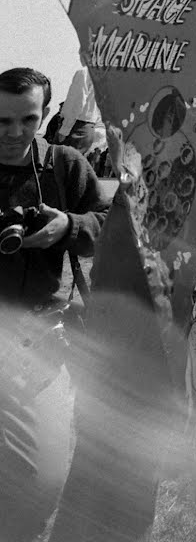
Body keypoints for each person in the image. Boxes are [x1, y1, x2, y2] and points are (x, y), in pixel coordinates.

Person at [0, 67, 111, 541]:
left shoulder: (63, 165)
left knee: (38, 482)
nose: (14, 133)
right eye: (1, 121)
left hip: (37, 342)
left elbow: (112, 225)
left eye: (28, 119)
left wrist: (69, 226)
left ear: (46, 115)